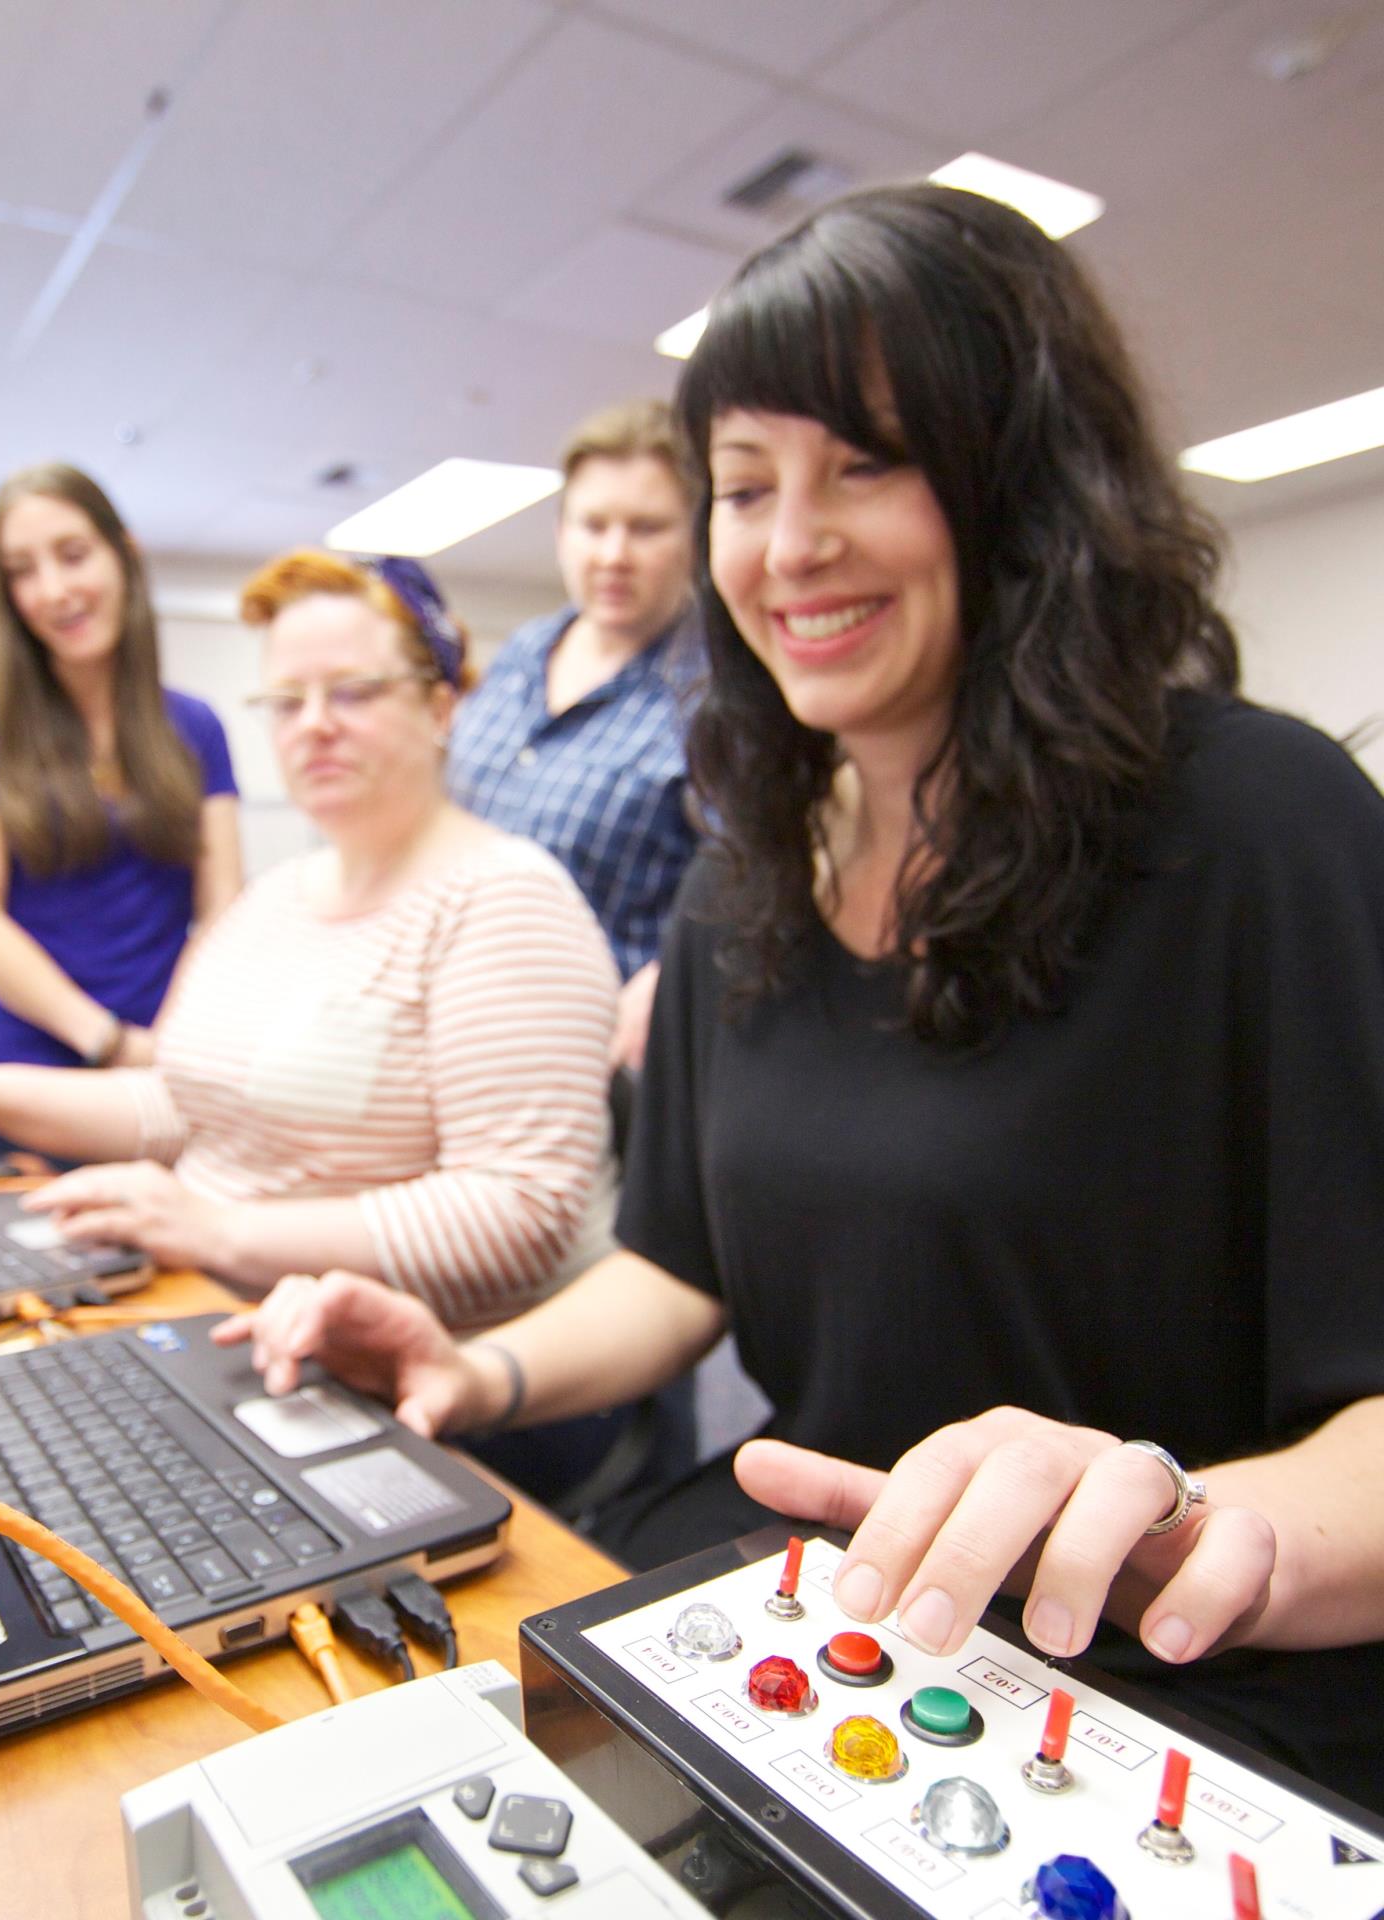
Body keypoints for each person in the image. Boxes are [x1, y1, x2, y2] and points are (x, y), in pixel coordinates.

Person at [215, 184, 1384, 1810]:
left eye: (866, 465)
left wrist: (1178, 1525)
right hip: (840, 1624)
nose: (787, 546)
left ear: (1021, 489)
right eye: (744, 486)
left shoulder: (1259, 831)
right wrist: (474, 1369)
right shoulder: (741, 878)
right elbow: (676, 1267)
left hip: (1175, 1696)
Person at [0, 550, 620, 1331]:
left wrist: (217, 1230)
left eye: (353, 693)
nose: (314, 725)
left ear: (441, 708)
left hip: (393, 1367)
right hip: (209, 1309)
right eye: (285, 701)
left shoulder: (504, 899)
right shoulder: (271, 901)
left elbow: (519, 1210)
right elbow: (186, 1102)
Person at [0, 463, 242, 1072]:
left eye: (73, 555)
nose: (53, 591)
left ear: (124, 556)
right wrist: (107, 1041)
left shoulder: (197, 728)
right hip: (28, 1070)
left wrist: (166, 1044)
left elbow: (221, 906)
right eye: (22, 571)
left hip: (171, 1058)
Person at [447, 400, 700, 1070]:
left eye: (647, 528)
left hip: (600, 1063)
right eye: (594, 525)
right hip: (457, 1034)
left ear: (695, 537)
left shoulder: (715, 692)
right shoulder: (519, 656)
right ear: (562, 533)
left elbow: (756, 885)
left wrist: (673, 978)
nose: (614, 555)